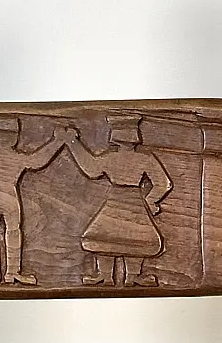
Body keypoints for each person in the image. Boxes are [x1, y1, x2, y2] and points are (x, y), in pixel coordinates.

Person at [0, 117, 71, 285]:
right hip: (8, 197)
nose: (5, 138)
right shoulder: (11, 158)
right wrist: (57, 141)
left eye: (7, 134)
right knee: (10, 232)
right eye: (5, 134)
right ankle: (9, 272)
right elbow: (38, 160)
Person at [63, 119, 173, 286]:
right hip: (134, 202)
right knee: (134, 237)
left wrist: (73, 143)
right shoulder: (145, 159)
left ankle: (106, 276)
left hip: (116, 200)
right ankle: (131, 277)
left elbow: (90, 168)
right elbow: (163, 184)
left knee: (106, 235)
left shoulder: (112, 157)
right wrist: (150, 200)